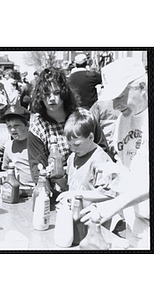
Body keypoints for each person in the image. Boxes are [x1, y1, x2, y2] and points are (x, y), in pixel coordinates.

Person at [80, 58, 149, 249]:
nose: (115, 105)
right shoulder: (122, 120)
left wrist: (111, 207)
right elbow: (128, 165)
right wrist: (114, 171)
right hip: (133, 221)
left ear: (142, 87)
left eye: (119, 96)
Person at [28, 67, 108, 200]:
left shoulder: (83, 116)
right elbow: (38, 169)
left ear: (64, 93)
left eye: (56, 93)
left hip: (89, 191)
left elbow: (102, 148)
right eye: (46, 94)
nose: (51, 99)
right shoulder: (38, 127)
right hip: (56, 195)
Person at [1, 105, 34, 187]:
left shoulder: (35, 144)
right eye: (9, 126)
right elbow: (5, 169)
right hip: (17, 188)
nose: (12, 129)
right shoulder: (9, 146)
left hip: (35, 187)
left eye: (16, 126)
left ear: (27, 125)